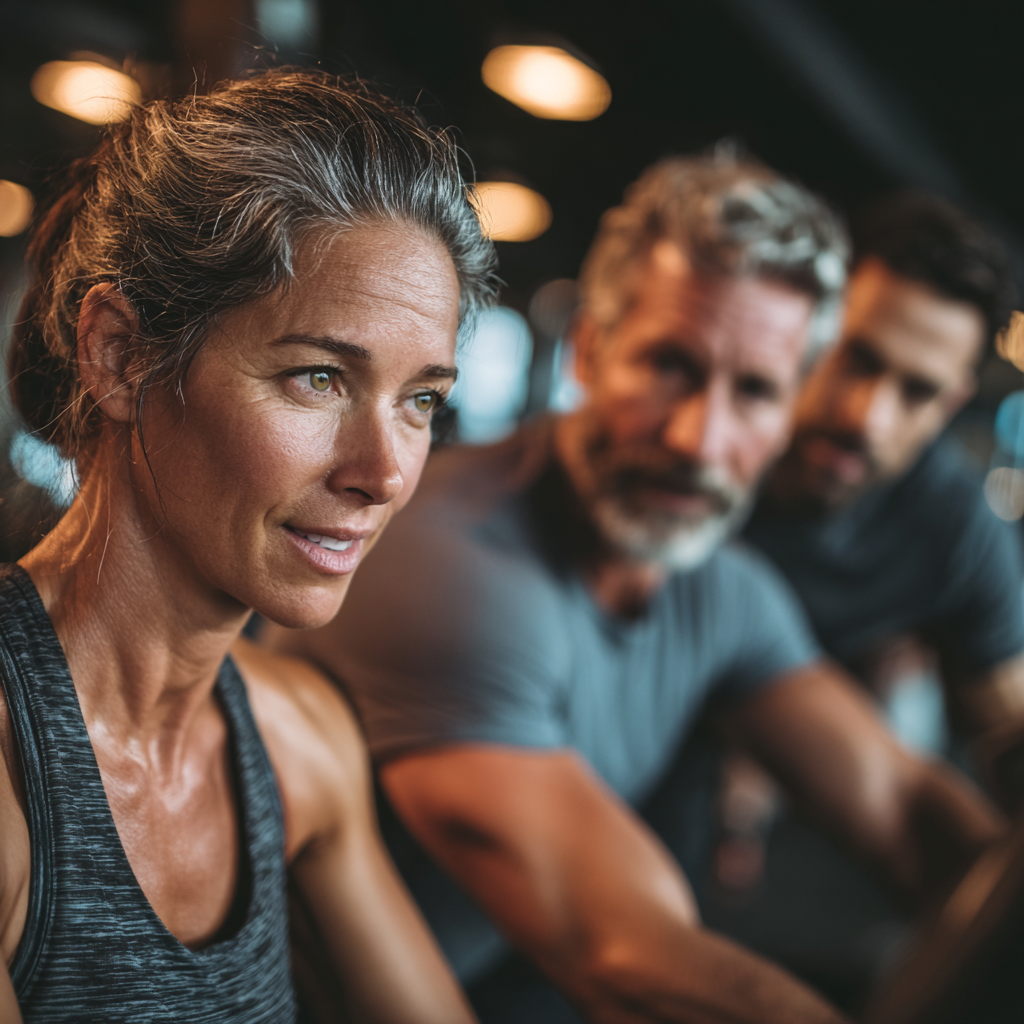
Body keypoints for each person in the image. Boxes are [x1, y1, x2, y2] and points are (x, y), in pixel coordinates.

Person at [268, 155, 1005, 1024]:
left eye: (756, 391)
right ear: (590, 347)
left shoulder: (725, 590)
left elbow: (909, 813)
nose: (701, 438)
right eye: (671, 367)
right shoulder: (449, 560)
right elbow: (623, 951)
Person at [0, 69, 498, 1023]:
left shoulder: (300, 734)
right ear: (118, 352)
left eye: (420, 400)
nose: (383, 472)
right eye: (317, 377)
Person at [744, 193, 1024, 789]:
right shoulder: (711, 447)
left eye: (917, 392)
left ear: (950, 404)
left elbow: (1010, 725)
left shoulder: (955, 527)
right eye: (857, 359)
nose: (867, 418)